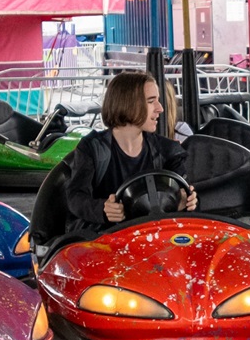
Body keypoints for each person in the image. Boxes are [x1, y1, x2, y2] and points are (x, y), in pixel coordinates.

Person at [64, 71, 197, 232]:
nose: (160, 108)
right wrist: (103, 209)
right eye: (151, 101)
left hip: (153, 235)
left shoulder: (167, 151)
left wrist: (188, 201)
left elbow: (186, 192)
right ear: (129, 104)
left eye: (158, 101)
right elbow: (75, 197)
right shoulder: (93, 149)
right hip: (108, 237)